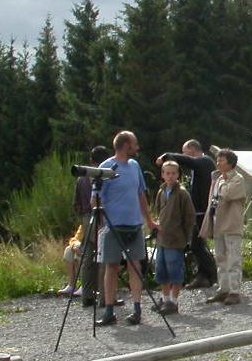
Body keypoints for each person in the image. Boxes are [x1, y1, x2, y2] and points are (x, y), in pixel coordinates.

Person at [95, 131, 157, 327]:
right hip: (113, 226)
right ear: (125, 146)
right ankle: (109, 311)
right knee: (111, 267)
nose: (137, 147)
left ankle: (137, 309)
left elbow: (141, 195)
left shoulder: (135, 166)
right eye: (134, 144)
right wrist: (101, 219)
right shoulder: (105, 167)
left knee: (135, 266)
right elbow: (95, 198)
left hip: (134, 225)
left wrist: (149, 220)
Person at [156, 139, 218, 288]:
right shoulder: (197, 167)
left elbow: (189, 161)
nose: (184, 155)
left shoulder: (205, 162)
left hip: (203, 210)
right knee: (198, 245)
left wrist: (167, 156)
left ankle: (211, 273)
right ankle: (204, 275)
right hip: (197, 210)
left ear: (192, 149)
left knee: (196, 245)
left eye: (185, 152)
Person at [200, 149, 247, 305]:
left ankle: (234, 291)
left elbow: (227, 194)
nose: (218, 163)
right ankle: (223, 288)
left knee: (233, 258)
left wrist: (219, 184)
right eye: (218, 160)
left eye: (221, 161)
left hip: (232, 224)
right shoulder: (219, 179)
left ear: (231, 163)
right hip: (218, 223)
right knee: (220, 258)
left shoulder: (238, 179)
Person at [152, 161, 196, 315]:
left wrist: (186, 237)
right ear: (162, 175)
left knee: (175, 270)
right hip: (162, 238)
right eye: (167, 173)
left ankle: (174, 301)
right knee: (161, 270)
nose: (170, 176)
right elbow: (158, 211)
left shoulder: (182, 193)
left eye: (173, 173)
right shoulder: (161, 191)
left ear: (178, 175)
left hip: (176, 239)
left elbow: (190, 217)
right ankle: (165, 298)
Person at [76, 145, 112, 307]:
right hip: (101, 216)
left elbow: (76, 203)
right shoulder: (103, 175)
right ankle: (104, 297)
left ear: (91, 160)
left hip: (86, 217)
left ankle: (87, 294)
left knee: (88, 258)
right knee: (104, 256)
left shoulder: (81, 177)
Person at [57, 223, 85, 297]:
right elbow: (75, 239)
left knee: (78, 254)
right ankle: (71, 285)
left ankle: (85, 285)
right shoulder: (86, 223)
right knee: (69, 250)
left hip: (95, 249)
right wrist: (75, 246)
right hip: (84, 248)